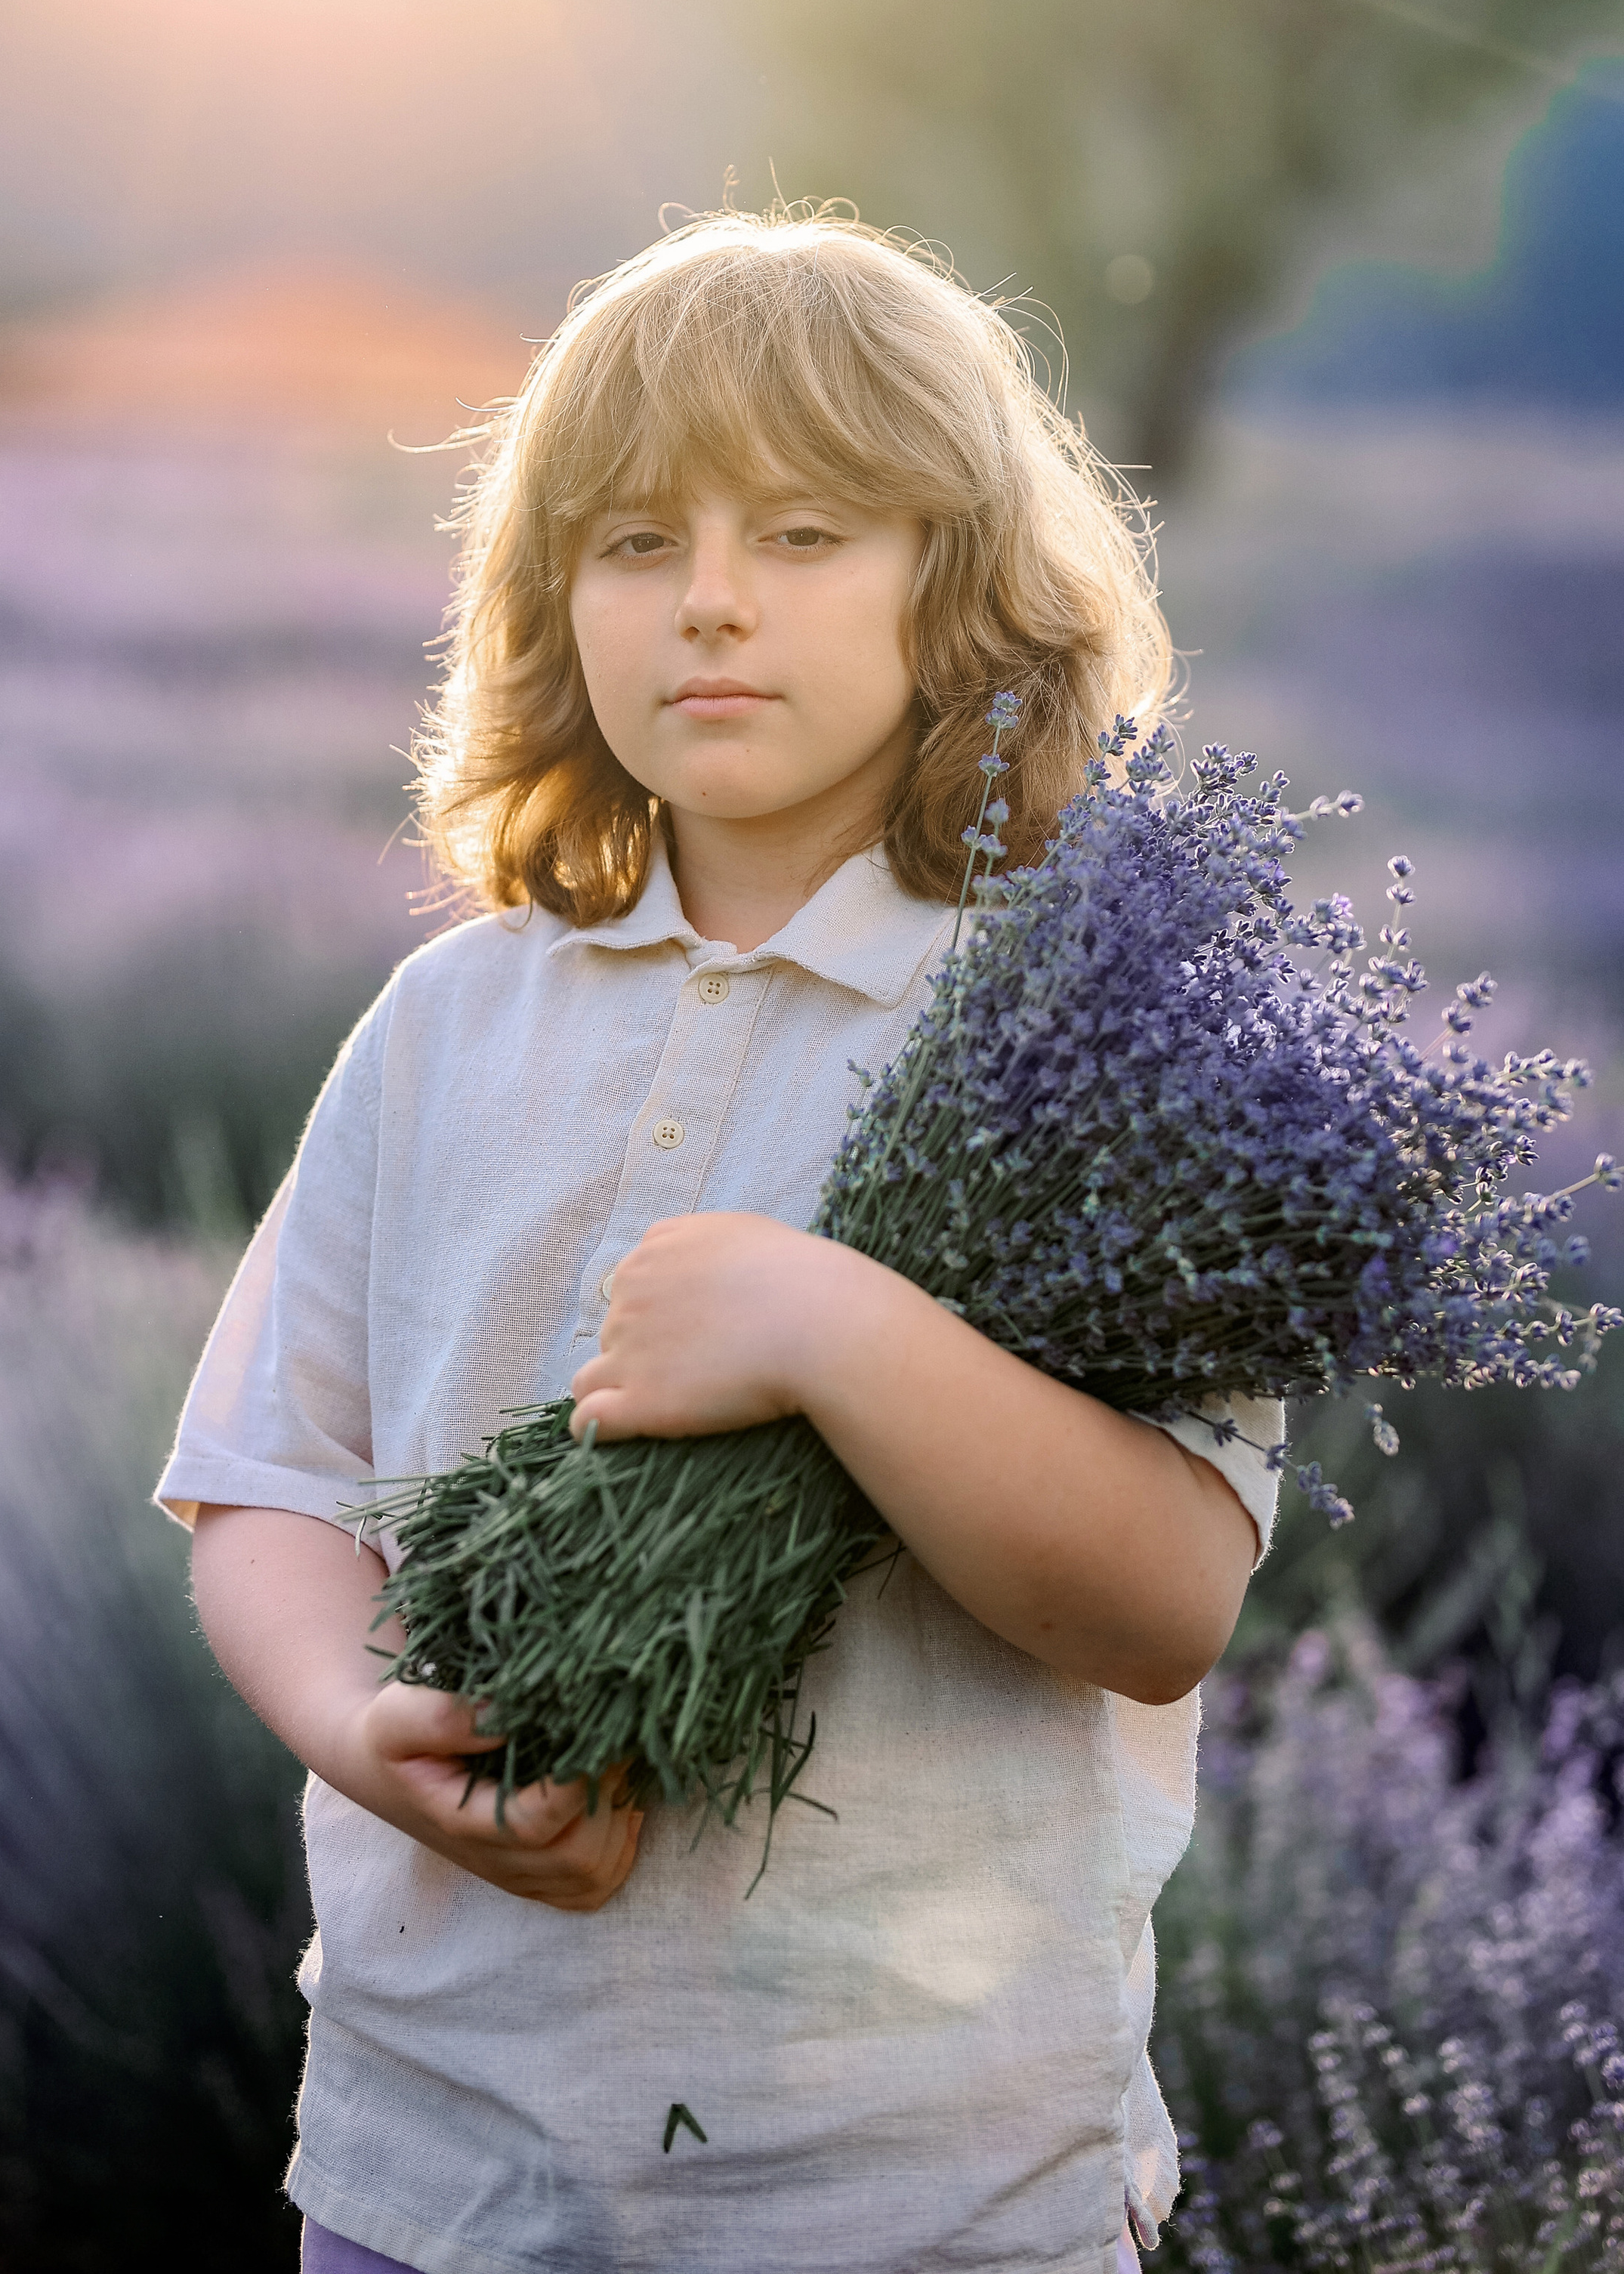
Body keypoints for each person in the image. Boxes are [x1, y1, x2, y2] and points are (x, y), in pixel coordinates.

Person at [156, 209, 1280, 2274]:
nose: (712, 606)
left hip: (916, 2195)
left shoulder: (1085, 1056)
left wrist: (831, 1328)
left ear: (962, 590)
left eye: (808, 534)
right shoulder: (449, 1023)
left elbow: (1161, 1599)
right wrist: (362, 1731)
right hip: (435, 2173)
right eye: (637, 541)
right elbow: (264, 1482)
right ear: (548, 596)